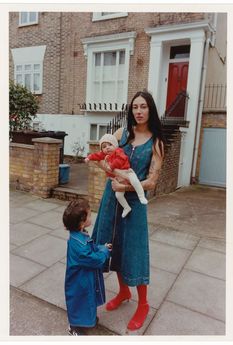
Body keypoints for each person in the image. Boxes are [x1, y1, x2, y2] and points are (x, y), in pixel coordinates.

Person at [91, 90, 165, 331]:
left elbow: (152, 181)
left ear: (150, 110)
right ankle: (123, 291)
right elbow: (105, 157)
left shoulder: (156, 142)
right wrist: (105, 167)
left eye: (143, 107)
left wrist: (125, 184)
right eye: (135, 107)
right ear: (130, 110)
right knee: (114, 245)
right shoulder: (121, 134)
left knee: (135, 250)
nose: (139, 111)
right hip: (111, 199)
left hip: (134, 204)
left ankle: (143, 303)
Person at [63, 198, 112, 336]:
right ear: (81, 222)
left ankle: (87, 320)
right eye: (89, 215)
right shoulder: (78, 243)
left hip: (84, 278)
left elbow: (92, 247)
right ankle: (74, 327)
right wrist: (104, 252)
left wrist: (101, 247)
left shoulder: (80, 235)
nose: (91, 217)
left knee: (87, 300)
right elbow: (93, 259)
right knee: (79, 301)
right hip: (79, 281)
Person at [85, 133, 148, 218]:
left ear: (115, 145)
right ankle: (126, 207)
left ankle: (141, 196)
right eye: (104, 146)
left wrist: (111, 166)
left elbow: (121, 159)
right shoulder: (105, 155)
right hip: (118, 178)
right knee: (118, 195)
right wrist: (89, 158)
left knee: (135, 181)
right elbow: (97, 155)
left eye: (110, 144)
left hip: (127, 172)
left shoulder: (119, 151)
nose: (107, 147)